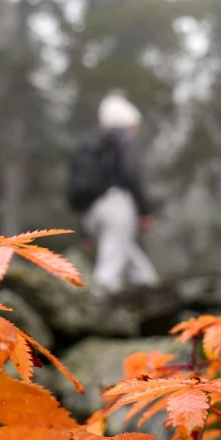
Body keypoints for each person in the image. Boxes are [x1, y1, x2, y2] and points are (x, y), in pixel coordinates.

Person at [67, 93, 159, 297]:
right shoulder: (124, 139)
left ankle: (150, 289)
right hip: (117, 207)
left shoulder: (89, 145)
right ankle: (94, 305)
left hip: (92, 215)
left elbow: (80, 187)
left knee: (134, 263)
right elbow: (130, 175)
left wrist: (84, 232)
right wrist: (145, 211)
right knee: (110, 268)